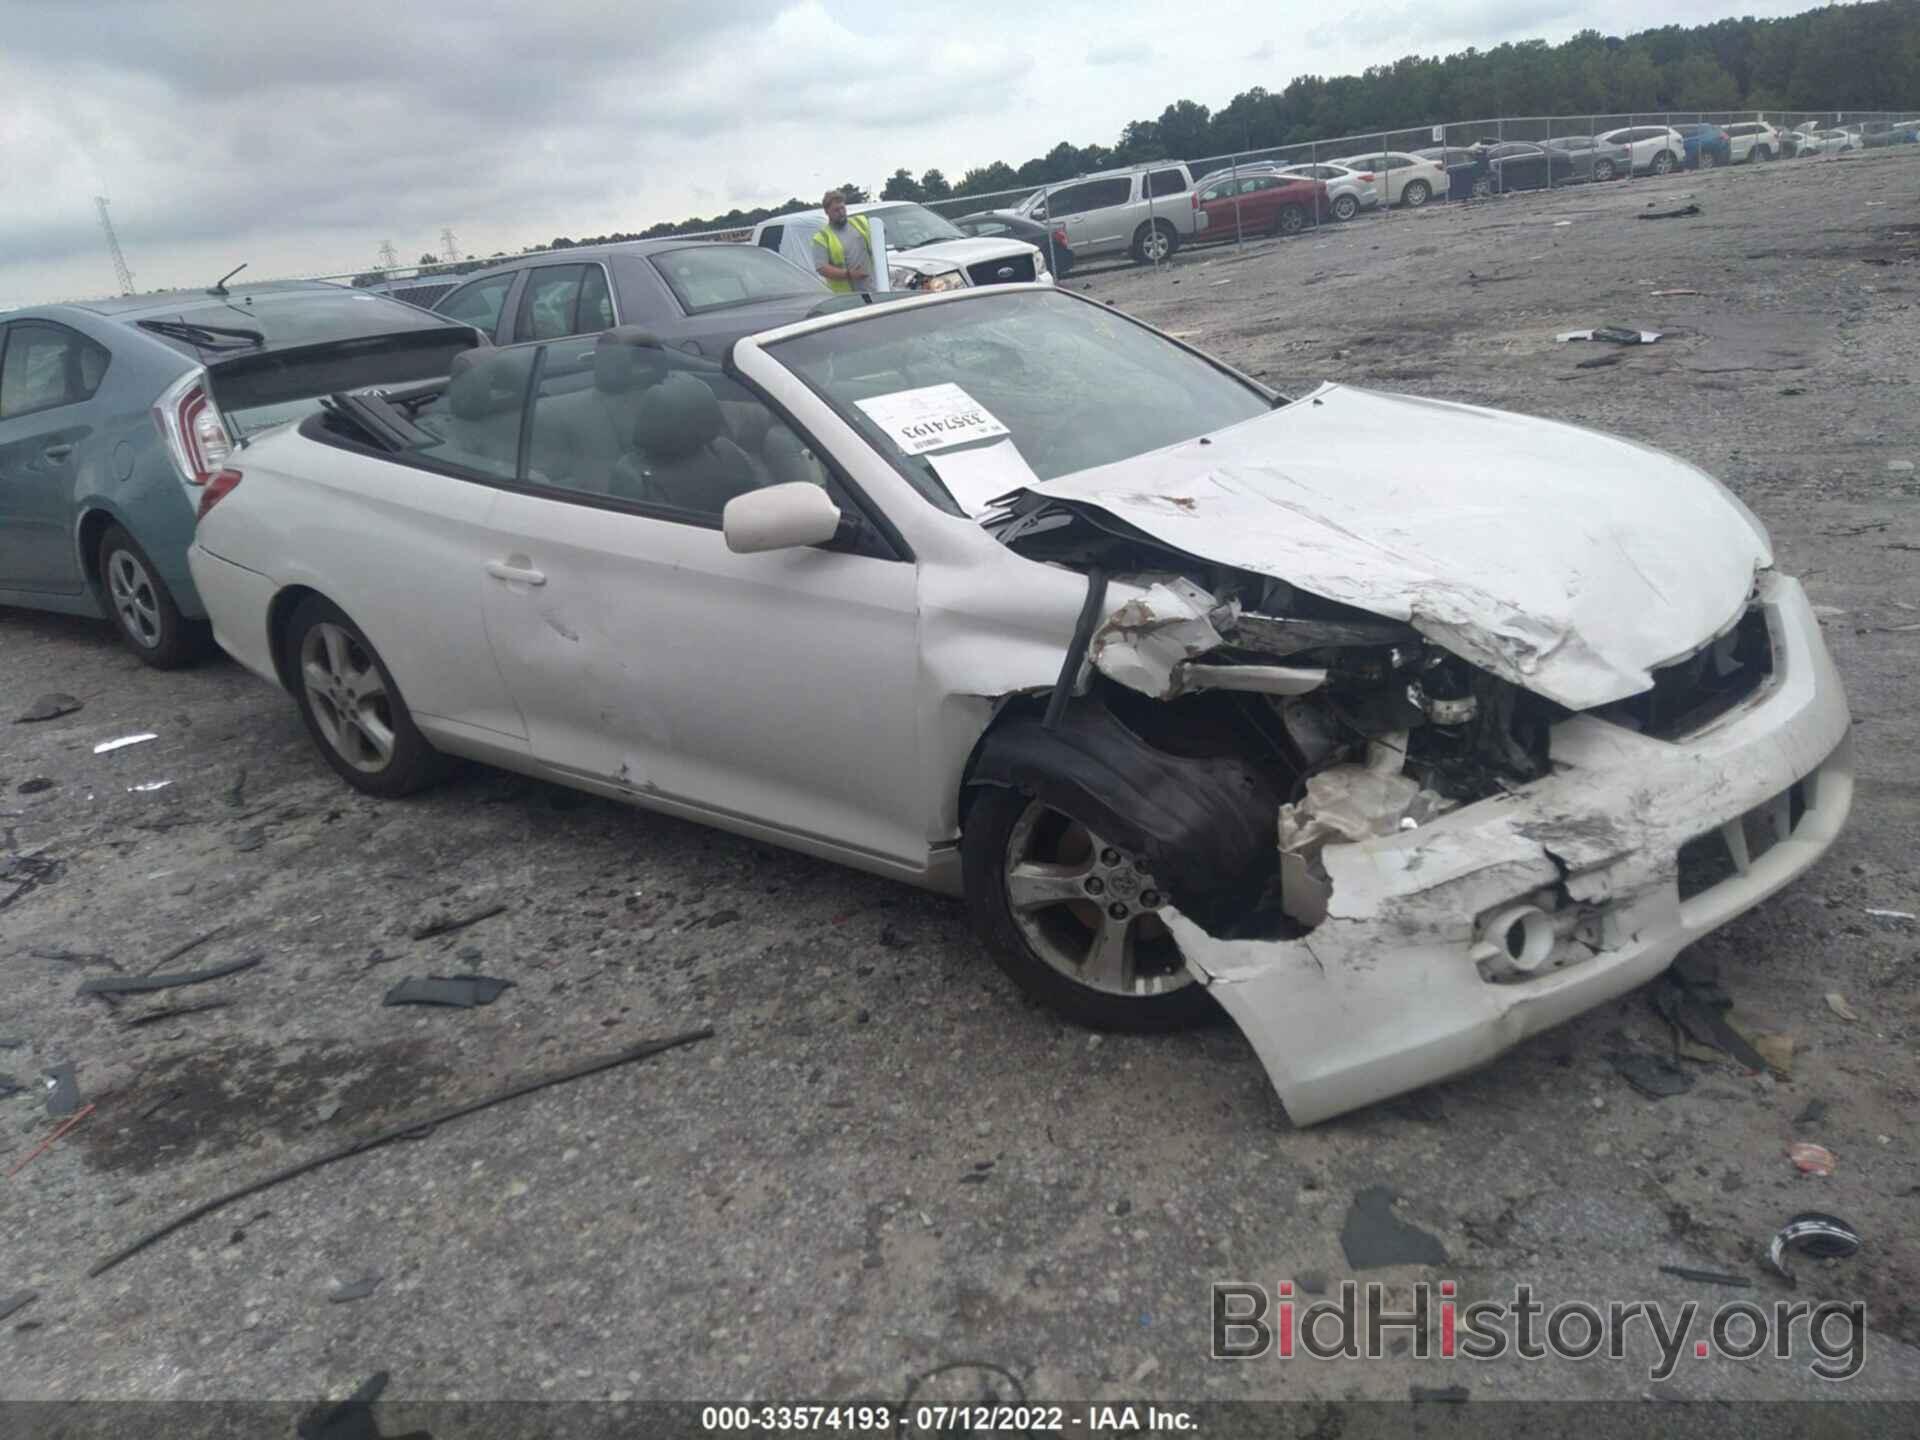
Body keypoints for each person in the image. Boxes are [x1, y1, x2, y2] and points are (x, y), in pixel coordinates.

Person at [811, 191, 876, 294]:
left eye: (843, 208)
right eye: (836, 210)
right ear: (827, 211)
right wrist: (849, 274)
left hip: (875, 289)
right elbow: (822, 268)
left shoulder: (860, 222)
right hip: (848, 296)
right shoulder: (822, 237)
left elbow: (879, 232)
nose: (841, 212)